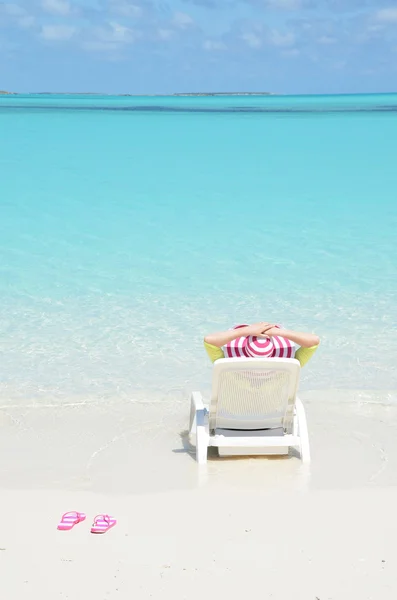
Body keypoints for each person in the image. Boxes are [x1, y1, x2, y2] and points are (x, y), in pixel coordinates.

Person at [204, 322, 320, 368]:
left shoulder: (227, 367)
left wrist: (243, 331)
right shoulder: (288, 367)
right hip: (275, 416)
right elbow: (313, 341)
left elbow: (209, 340)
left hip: (230, 415)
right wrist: (279, 332)